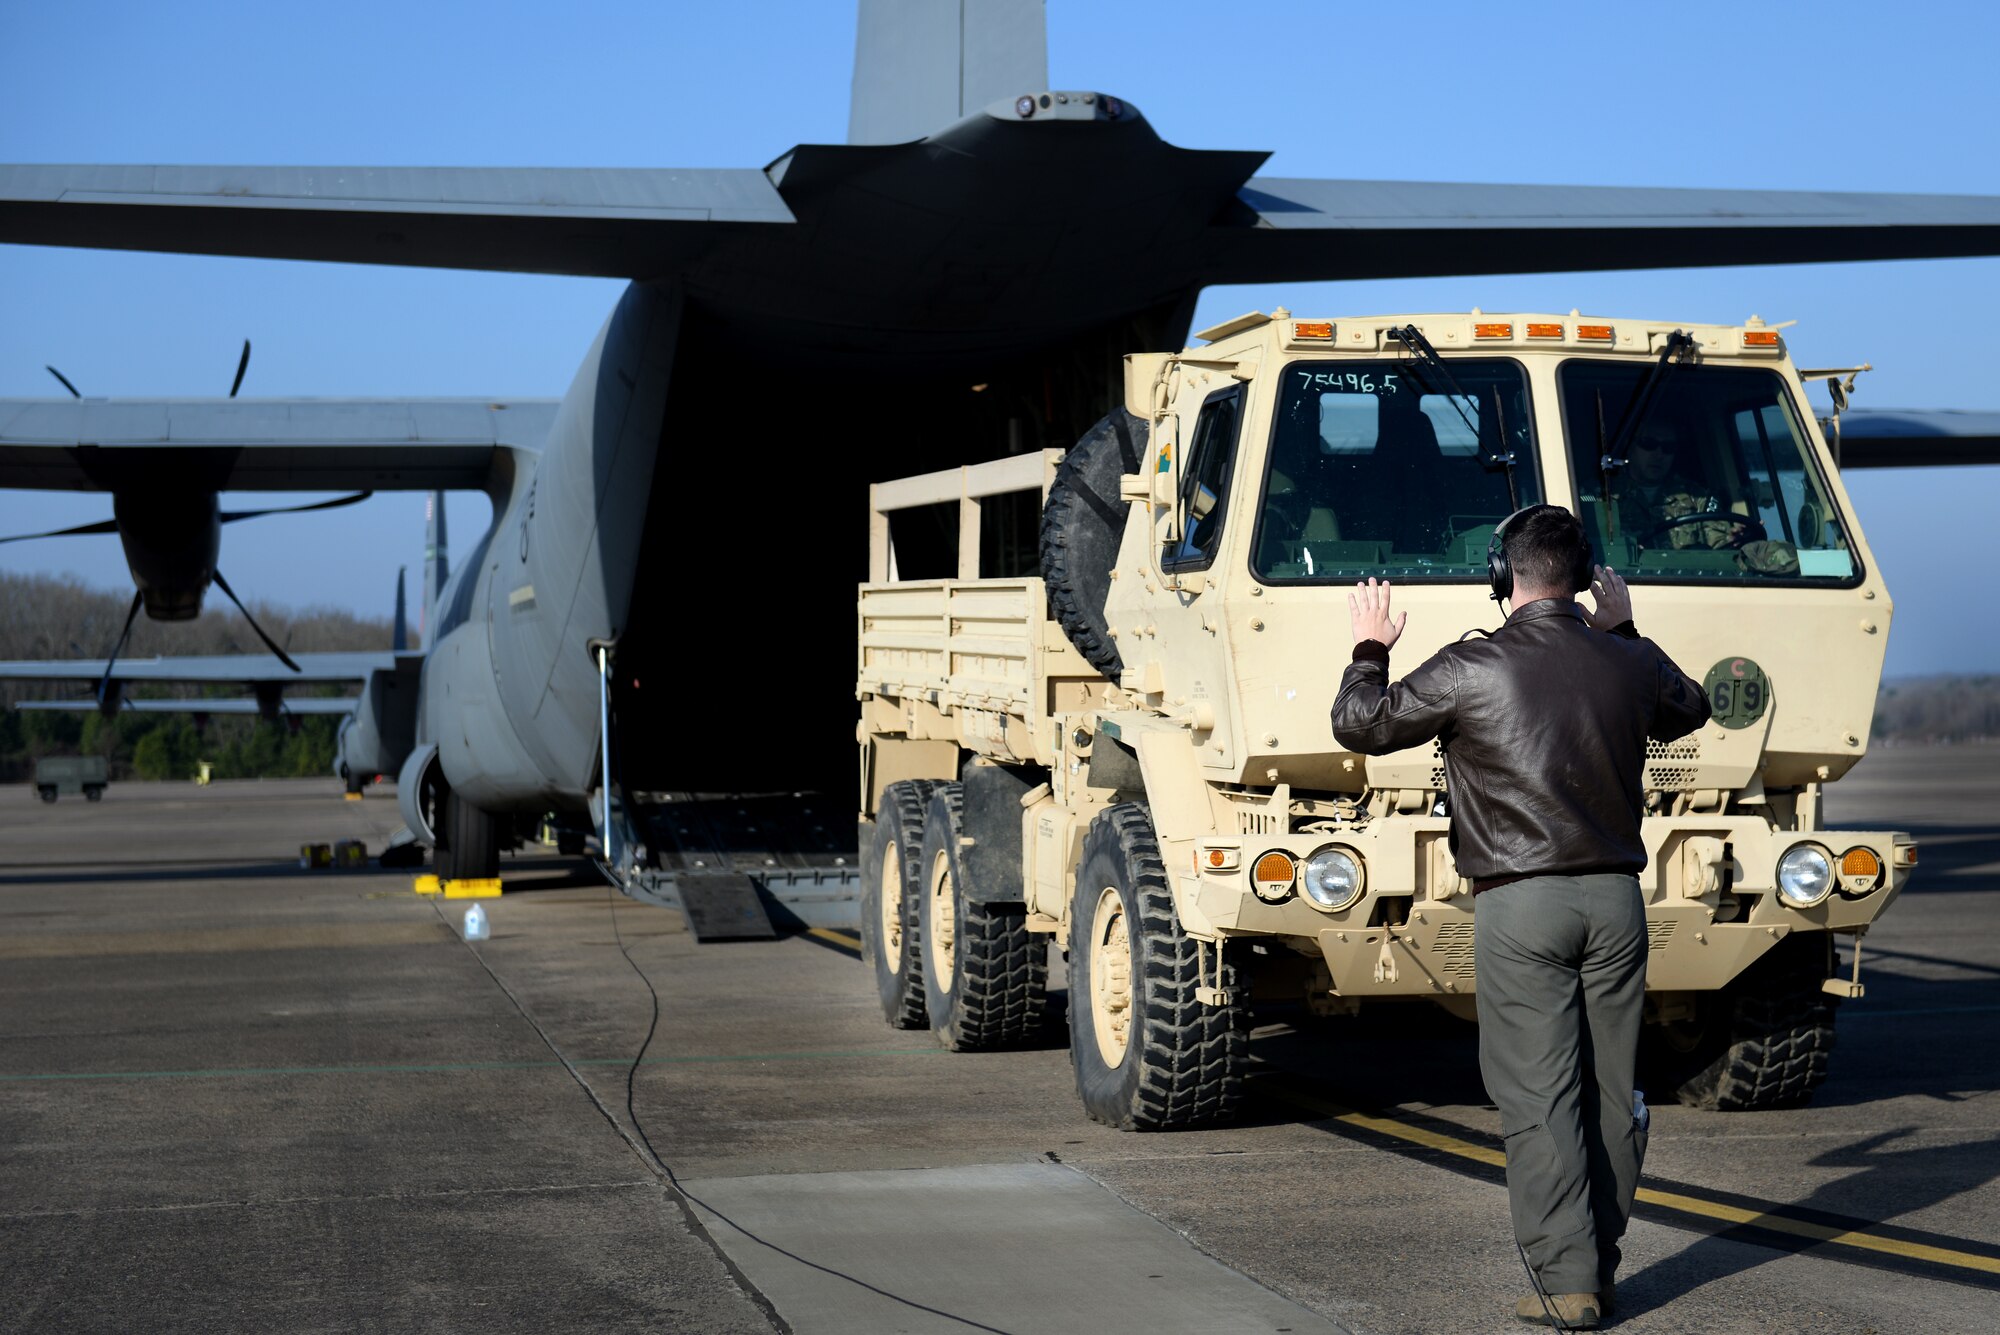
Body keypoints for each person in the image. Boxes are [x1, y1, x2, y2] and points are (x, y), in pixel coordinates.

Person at [1330, 505, 1710, 1328]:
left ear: (1503, 577)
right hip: (1615, 900)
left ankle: (1569, 1283)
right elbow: (1692, 706)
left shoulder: (1472, 666)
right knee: (1612, 1090)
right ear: (1581, 579)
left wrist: (1370, 647)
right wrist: (1628, 627)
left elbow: (1359, 723)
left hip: (1520, 902)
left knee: (1537, 1091)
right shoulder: (1627, 660)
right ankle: (1597, 1265)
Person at [1615, 420, 1744, 549]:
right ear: (1630, 447)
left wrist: (1734, 539)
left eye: (1668, 448)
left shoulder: (1697, 496)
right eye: (1649, 444)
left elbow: (1718, 542)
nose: (1659, 455)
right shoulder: (1607, 496)